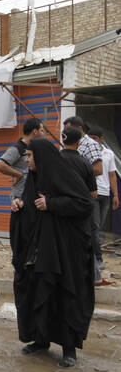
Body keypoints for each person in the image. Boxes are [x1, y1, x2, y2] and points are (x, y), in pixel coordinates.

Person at [9, 138, 94, 368]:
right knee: (38, 292)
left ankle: (69, 350)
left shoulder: (64, 175)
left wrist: (53, 204)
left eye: (30, 156)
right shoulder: (33, 179)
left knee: (64, 295)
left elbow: (85, 204)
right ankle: (40, 339)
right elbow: (29, 209)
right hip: (38, 253)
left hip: (64, 253)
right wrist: (18, 206)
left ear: (41, 156)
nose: (27, 160)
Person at [63, 116, 104, 286]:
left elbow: (98, 169)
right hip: (74, 196)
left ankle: (97, 263)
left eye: (68, 130)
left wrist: (76, 172)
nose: (64, 135)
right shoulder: (70, 148)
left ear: (78, 129)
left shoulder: (90, 144)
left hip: (86, 195)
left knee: (90, 230)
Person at [87, 127, 119, 286]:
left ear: (101, 138)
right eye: (90, 137)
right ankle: (98, 259)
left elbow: (112, 175)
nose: (92, 140)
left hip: (105, 195)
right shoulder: (86, 152)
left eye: (95, 138)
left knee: (96, 228)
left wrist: (116, 195)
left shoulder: (108, 154)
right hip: (92, 194)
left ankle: (95, 257)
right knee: (95, 227)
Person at [0, 118, 45, 202]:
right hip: (20, 197)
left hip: (33, 194)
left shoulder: (35, 149)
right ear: (35, 132)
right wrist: (19, 175)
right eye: (42, 130)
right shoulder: (18, 148)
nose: (44, 134)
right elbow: (0, 165)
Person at [60, 127, 97, 199]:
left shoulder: (53, 159)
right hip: (79, 206)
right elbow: (94, 194)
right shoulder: (85, 163)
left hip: (56, 206)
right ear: (78, 142)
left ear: (63, 140)